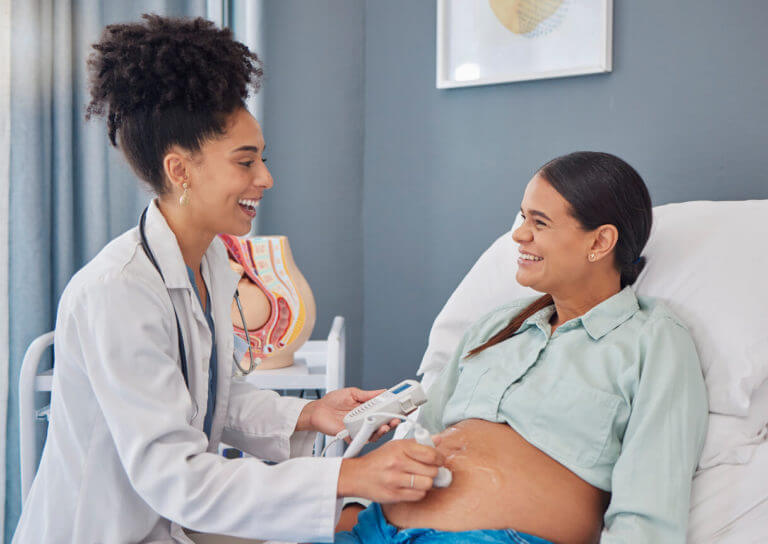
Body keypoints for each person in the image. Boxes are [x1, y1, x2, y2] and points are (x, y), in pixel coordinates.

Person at [12, 14, 445, 544]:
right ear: (180, 171)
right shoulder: (116, 292)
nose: (265, 178)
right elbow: (178, 479)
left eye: (262, 158)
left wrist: (312, 413)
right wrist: (348, 476)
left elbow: (213, 397)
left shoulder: (211, 261)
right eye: (245, 162)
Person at [330, 152, 709, 544]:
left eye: (539, 222)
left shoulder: (653, 341)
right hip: (374, 528)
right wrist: (354, 507)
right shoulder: (496, 325)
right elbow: (421, 432)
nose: (519, 234)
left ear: (600, 241)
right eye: (523, 217)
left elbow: (649, 510)